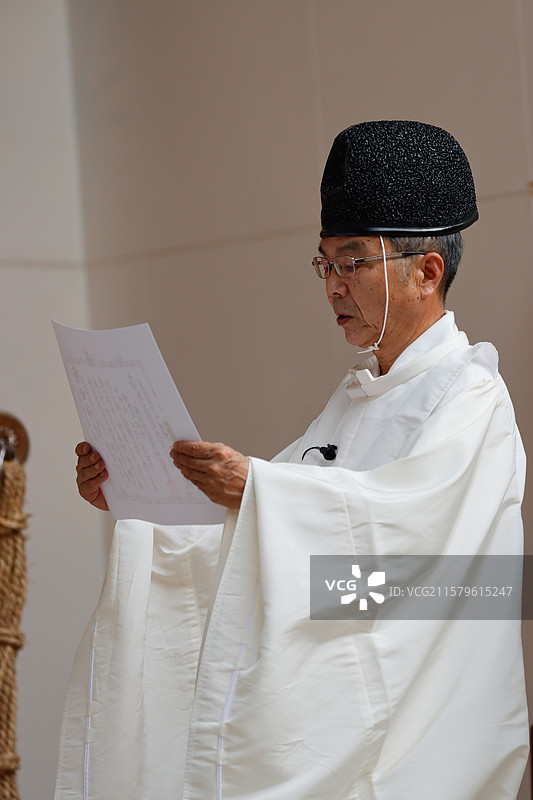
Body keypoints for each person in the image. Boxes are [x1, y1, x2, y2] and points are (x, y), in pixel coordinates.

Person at [56, 121, 528, 800]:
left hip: (420, 743)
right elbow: (272, 548)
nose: (332, 287)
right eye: (324, 263)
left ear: (426, 272)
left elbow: (411, 573)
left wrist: (258, 492)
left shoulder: (470, 399)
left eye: (354, 262)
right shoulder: (354, 401)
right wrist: (140, 499)